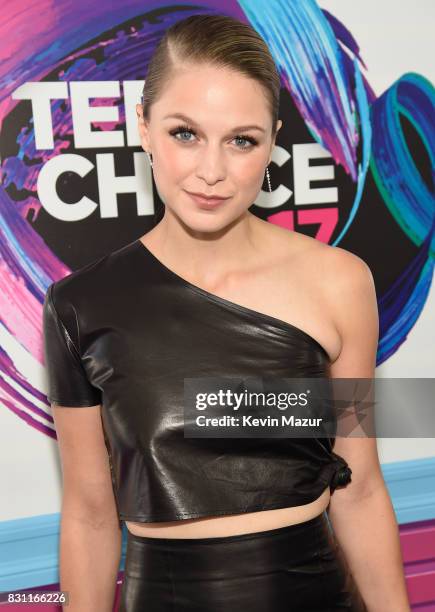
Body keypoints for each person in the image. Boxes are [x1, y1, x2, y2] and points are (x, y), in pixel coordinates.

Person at [42, 14, 411, 612]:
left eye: (242, 139)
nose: (211, 170)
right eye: (185, 133)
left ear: (271, 144)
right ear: (144, 127)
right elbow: (88, 515)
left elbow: (360, 484)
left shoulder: (340, 283)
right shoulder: (80, 306)